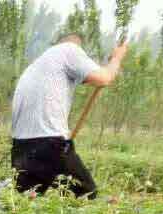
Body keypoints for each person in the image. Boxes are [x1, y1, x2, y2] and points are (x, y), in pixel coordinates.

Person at [10, 34, 128, 198]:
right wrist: (116, 58)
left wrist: (104, 66)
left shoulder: (38, 65)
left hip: (21, 147)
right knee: (86, 195)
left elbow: (91, 74)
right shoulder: (70, 50)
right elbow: (103, 78)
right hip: (48, 143)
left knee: (24, 205)